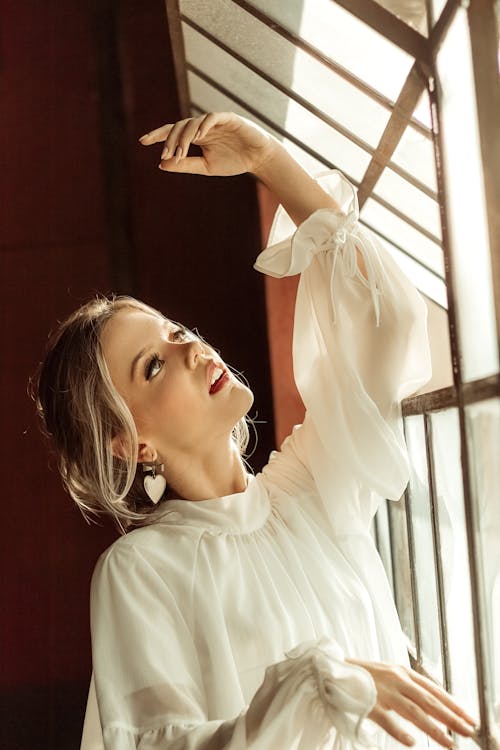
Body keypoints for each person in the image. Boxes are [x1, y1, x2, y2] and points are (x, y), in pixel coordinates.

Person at [35, 112, 478, 750]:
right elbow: (156, 742)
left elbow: (389, 322)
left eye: (174, 330)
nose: (190, 349)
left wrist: (268, 159)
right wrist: (314, 682)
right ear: (131, 443)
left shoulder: (314, 487)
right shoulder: (140, 572)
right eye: (153, 366)